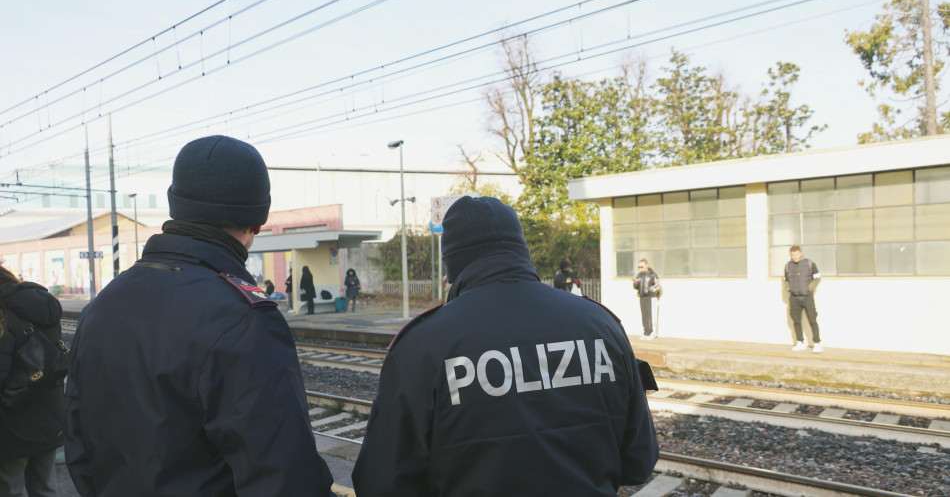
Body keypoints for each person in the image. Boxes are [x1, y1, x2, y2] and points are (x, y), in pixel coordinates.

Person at [63, 135, 335, 496]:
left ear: (176, 207)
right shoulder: (243, 318)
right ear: (256, 222)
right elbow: (284, 477)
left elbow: (77, 442)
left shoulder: (105, 303)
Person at [353, 196, 658, 496]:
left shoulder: (422, 345)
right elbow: (638, 462)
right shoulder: (601, 325)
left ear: (451, 268)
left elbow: (381, 483)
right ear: (523, 253)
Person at [0, 266, 64, 497]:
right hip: (48, 414)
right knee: (46, 487)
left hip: (12, 422)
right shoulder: (40, 307)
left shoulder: (4, 315)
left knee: (11, 488)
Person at [784, 245, 822, 353]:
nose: (794, 257)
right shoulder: (788, 266)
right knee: (796, 321)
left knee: (812, 320)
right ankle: (800, 342)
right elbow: (785, 279)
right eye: (792, 255)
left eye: (796, 254)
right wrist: (788, 287)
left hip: (807, 297)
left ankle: (817, 343)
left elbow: (818, 278)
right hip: (794, 298)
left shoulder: (809, 264)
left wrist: (810, 288)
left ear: (800, 253)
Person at [633, 258, 661, 340]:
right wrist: (635, 284)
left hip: (651, 297)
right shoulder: (639, 275)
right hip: (642, 297)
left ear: (647, 265)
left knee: (652, 315)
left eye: (642, 266)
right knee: (644, 316)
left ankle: (653, 333)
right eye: (639, 267)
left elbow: (657, 285)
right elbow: (636, 286)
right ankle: (646, 332)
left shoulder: (652, 274)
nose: (640, 268)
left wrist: (650, 290)